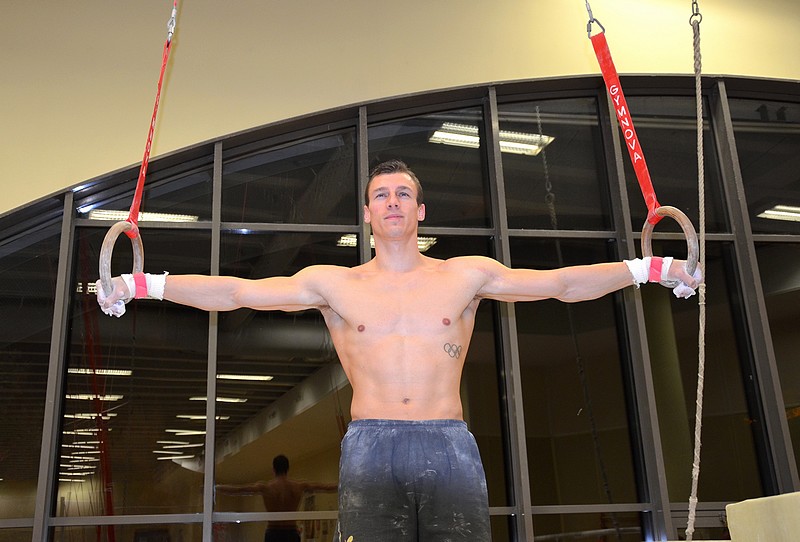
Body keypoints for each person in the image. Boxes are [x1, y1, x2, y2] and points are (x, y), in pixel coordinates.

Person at [98, 159, 702, 542]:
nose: (392, 202)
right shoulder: (334, 283)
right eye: (381, 194)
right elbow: (236, 293)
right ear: (366, 214)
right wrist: (143, 284)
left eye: (402, 194)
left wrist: (651, 267)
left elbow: (562, 284)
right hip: (371, 447)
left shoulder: (465, 275)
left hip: (447, 441)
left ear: (419, 211)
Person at [215, 454, 337, 542]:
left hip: (273, 533)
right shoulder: (298, 486)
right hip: (291, 533)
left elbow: (240, 490)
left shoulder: (266, 488)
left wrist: (216, 488)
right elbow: (325, 487)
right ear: (287, 469)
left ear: (273, 469)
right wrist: (349, 486)